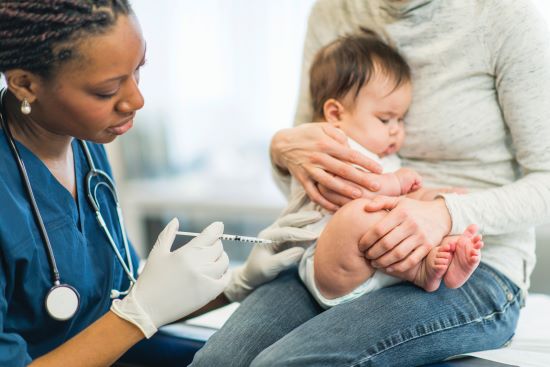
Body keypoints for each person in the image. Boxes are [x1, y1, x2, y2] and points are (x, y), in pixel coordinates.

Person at [191, 0, 549, 365]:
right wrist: (280, 150)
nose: (397, 131)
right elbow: (308, 172)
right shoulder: (333, 11)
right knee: (216, 362)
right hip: (335, 252)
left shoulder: (505, 17)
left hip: (475, 259)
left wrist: (445, 212)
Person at [0, 2, 312, 366]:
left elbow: (124, 301)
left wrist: (237, 282)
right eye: (107, 90)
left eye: (138, 70)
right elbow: (131, 314)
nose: (136, 100)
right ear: (25, 84)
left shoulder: (85, 145)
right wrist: (139, 313)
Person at [289, 30, 483, 308]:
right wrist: (397, 183)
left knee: (419, 214)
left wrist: (433, 198)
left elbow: (393, 203)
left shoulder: (381, 156)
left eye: (400, 119)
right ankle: (419, 271)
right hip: (329, 262)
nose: (396, 131)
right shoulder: (327, 145)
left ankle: (437, 262)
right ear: (335, 114)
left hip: (381, 264)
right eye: (385, 119)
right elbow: (354, 193)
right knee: (356, 216)